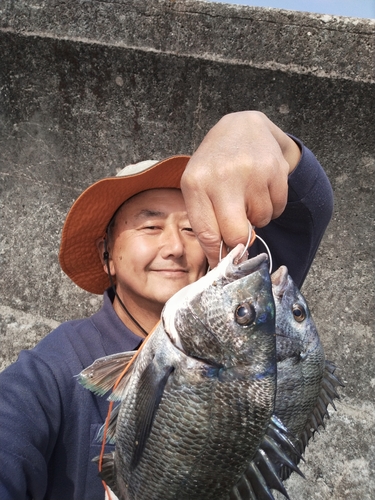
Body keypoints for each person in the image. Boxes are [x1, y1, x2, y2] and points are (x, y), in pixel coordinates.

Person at [0, 111, 333, 499]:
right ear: (106, 253)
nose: (175, 247)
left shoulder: (253, 335)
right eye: (150, 226)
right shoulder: (51, 369)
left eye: (193, 228)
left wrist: (256, 129)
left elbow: (310, 206)